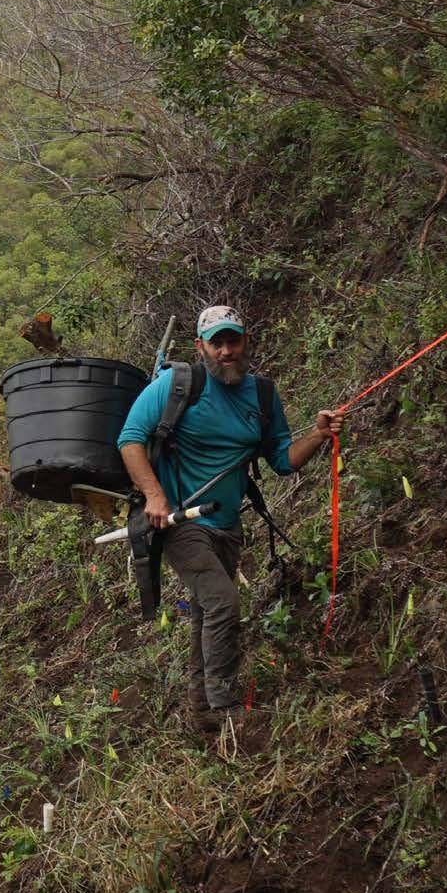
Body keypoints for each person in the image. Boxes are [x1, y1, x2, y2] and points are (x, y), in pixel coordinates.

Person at [118, 305, 343, 733]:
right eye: (216, 343)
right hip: (180, 521)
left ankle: (200, 708)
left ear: (246, 342)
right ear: (200, 346)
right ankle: (224, 708)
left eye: (232, 341)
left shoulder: (262, 395)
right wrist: (155, 495)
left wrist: (317, 434)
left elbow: (283, 461)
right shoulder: (178, 385)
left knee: (208, 610)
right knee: (223, 602)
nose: (226, 351)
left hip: (227, 525)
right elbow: (129, 439)